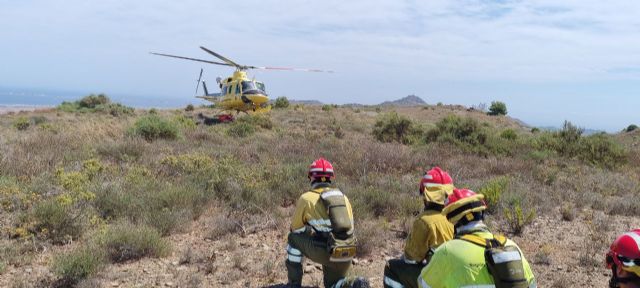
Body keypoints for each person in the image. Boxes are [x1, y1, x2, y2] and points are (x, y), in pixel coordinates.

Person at [418, 188, 536, 288]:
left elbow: (423, 284)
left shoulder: (446, 251)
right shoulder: (511, 245)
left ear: (453, 221)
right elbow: (532, 284)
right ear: (482, 214)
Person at [285, 157, 370, 288]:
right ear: (331, 178)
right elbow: (350, 228)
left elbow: (296, 230)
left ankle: (294, 284)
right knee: (333, 285)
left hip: (327, 251)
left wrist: (310, 232)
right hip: (347, 250)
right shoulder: (343, 197)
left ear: (311, 177)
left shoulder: (306, 198)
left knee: (293, 239)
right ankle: (354, 284)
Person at [383, 167, 455, 288]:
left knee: (391, 268)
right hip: (457, 275)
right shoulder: (458, 216)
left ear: (425, 194)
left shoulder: (424, 221)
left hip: (438, 278)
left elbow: (411, 258)